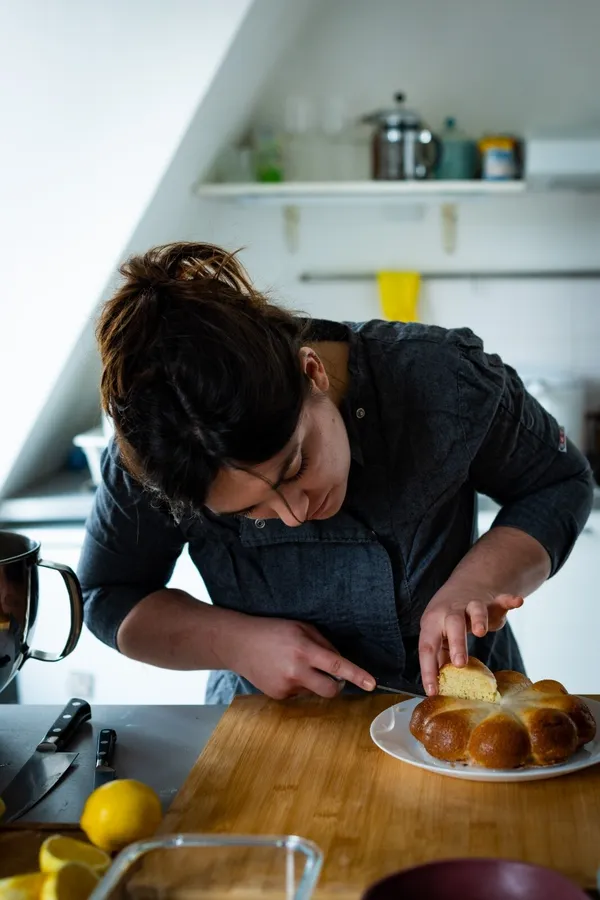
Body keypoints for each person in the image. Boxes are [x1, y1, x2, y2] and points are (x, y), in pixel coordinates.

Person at [79, 242, 594, 704]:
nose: (295, 513)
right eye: (249, 510)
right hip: (267, 726)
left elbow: (559, 483)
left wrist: (476, 583)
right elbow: (108, 595)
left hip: (472, 710)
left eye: (296, 465)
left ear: (313, 372)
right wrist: (234, 643)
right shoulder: (158, 454)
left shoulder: (442, 376)